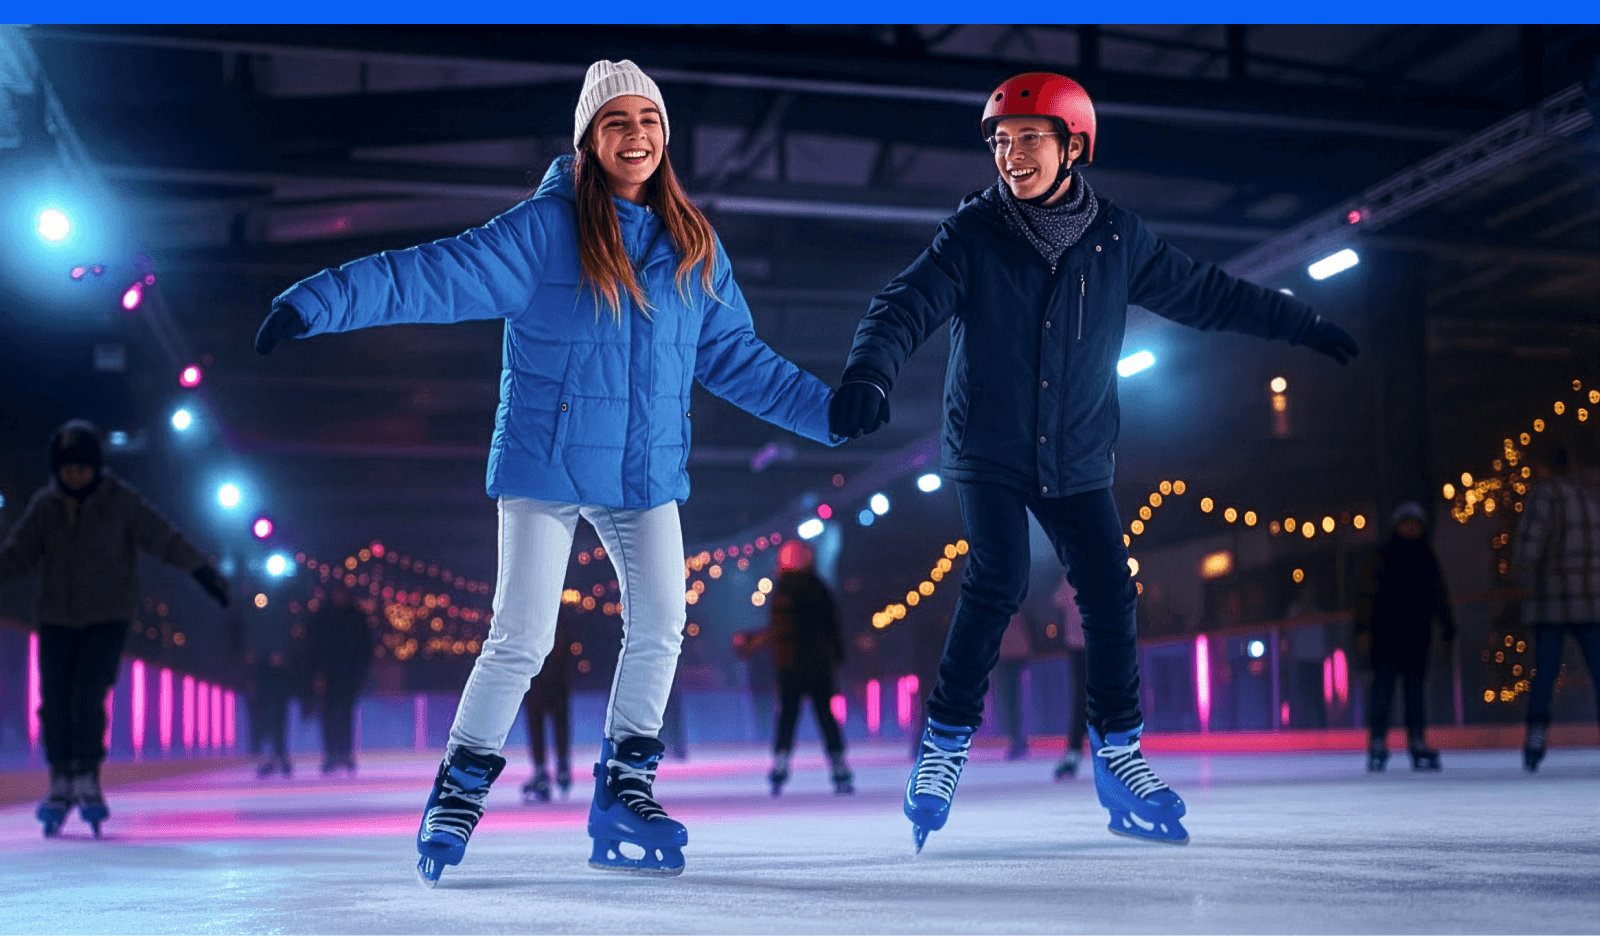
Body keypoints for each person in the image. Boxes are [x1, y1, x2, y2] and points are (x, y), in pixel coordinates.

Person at [255, 60, 836, 883]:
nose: (635, 135)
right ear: (589, 141)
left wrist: (829, 412)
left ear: (665, 136)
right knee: (522, 636)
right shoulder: (544, 230)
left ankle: (625, 787)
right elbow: (433, 272)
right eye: (615, 123)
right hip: (546, 462)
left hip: (644, 472)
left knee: (663, 623)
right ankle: (459, 787)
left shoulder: (693, 244)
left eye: (648, 121)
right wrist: (318, 300)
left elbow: (737, 358)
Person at [829, 72, 1360, 851]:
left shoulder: (1119, 240)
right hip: (990, 447)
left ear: (1074, 145)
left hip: (1075, 452)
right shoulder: (972, 235)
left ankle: (1120, 753)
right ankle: (942, 747)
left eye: (1029, 140)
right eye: (1002, 143)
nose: (1012, 156)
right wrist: (870, 370)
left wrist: (1300, 322)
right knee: (1000, 575)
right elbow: (902, 306)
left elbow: (1209, 294)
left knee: (1112, 589)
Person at [0, 420, 231, 836]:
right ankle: (61, 778)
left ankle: (86, 773)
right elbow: (17, 554)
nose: (74, 477)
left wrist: (200, 570)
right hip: (55, 616)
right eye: (67, 470)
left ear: (96, 467)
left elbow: (163, 537)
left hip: (107, 618)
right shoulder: (46, 507)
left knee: (88, 697)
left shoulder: (119, 502)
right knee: (53, 700)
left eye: (82, 469)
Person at [1511, 445, 1600, 772]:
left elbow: (1528, 548)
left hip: (1552, 599)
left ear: (1541, 465)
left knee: (1546, 670)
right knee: (1598, 670)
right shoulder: (1590, 496)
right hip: (1592, 599)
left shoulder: (1545, 496)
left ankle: (1536, 734)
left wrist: (1521, 571)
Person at [1352, 502, 1456, 772]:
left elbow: (1438, 592)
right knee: (1383, 692)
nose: (1410, 528)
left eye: (1415, 524)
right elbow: (1366, 592)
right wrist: (1363, 628)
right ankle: (1377, 742)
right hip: (1386, 635)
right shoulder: (1382, 555)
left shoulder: (1425, 556)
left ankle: (1417, 741)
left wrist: (1448, 625)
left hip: (1416, 635)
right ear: (1396, 526)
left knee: (1414, 693)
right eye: (1405, 523)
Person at [764, 540, 852, 796]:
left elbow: (778, 633)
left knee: (787, 716)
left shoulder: (782, 593)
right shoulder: (819, 589)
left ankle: (781, 762)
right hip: (818, 666)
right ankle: (838, 765)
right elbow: (832, 627)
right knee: (825, 715)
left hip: (790, 667)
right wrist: (837, 657)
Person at [306, 584, 373, 775]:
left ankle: (345, 754)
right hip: (327, 675)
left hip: (349, 676)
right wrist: (317, 674)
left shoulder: (356, 617)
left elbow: (364, 647)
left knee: (345, 715)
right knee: (327, 716)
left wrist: (360, 673)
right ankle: (330, 755)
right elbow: (314, 647)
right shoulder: (322, 617)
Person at [521, 614, 574, 803]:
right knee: (559, 722)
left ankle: (543, 771)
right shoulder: (558, 612)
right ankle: (561, 768)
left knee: (538, 723)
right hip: (556, 677)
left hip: (538, 678)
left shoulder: (528, 613)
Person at [1050, 576, 1090, 780]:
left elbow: (1059, 600)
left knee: (1091, 697)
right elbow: (1058, 600)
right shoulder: (1071, 577)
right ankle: (1075, 750)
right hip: (1079, 645)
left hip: (1096, 642)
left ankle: (1111, 750)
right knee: (1082, 698)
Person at [993, 611, 1033, 760]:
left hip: (1011, 654)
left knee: (1012, 701)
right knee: (1012, 701)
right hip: (1011, 653)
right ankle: (1017, 739)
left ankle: (1018, 740)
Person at [251, 648, 295, 778]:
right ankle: (272, 761)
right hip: (268, 708)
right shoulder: (265, 675)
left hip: (278, 708)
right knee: (268, 734)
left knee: (278, 734)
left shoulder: (282, 675)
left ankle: (280, 761)